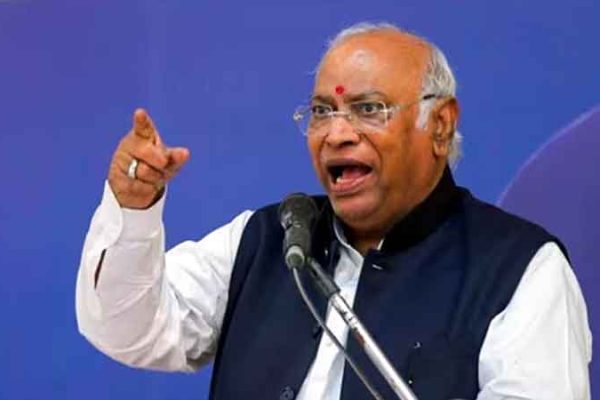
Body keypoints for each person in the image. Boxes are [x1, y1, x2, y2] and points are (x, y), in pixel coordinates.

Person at [76, 22, 592, 399]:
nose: (336, 133)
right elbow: (127, 328)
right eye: (322, 112)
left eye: (368, 109)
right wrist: (134, 208)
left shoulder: (519, 268)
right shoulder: (270, 239)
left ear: (439, 125)